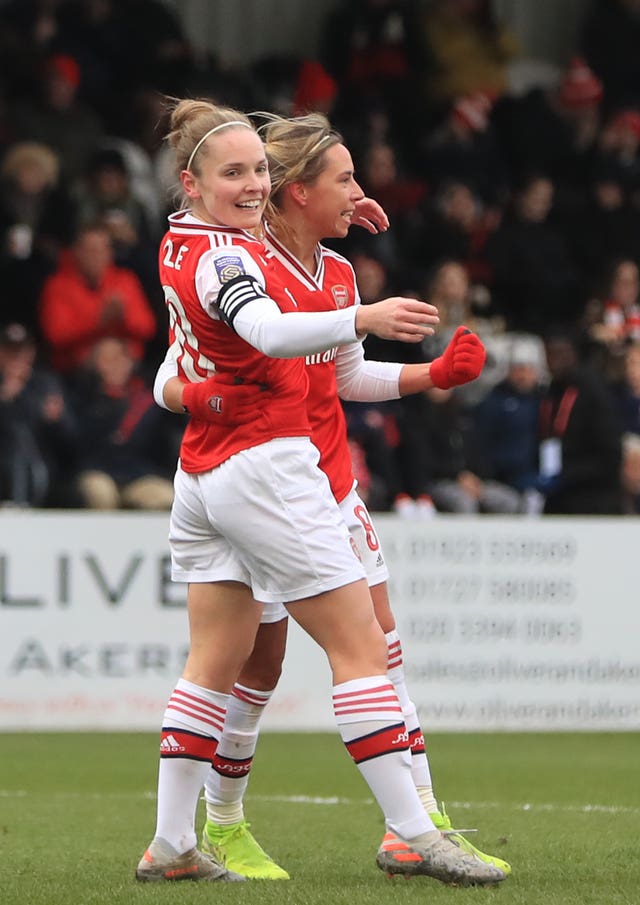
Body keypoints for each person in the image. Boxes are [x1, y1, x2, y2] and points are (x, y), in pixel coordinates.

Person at [136, 99, 505, 887]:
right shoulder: (236, 257)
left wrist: (430, 374)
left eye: (259, 170)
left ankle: (174, 841)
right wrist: (362, 313)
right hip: (267, 466)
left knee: (220, 660)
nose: (252, 183)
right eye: (236, 171)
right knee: (356, 647)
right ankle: (410, 830)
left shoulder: (203, 241)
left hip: (225, 473)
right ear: (195, 182)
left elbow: (319, 371)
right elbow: (233, 346)